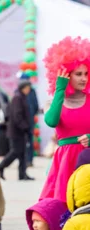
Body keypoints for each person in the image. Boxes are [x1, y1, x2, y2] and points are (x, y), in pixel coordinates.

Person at [40, 36, 90, 202]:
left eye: (86, 73)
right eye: (78, 74)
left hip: (87, 158)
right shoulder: (56, 101)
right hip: (65, 162)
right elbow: (51, 121)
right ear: (65, 75)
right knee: (62, 206)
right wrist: (60, 89)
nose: (84, 78)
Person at [0, 80, 33, 181]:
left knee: (22, 153)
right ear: (23, 88)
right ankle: (0, 166)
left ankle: (22, 174)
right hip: (16, 131)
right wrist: (24, 126)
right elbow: (17, 115)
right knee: (15, 152)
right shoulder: (18, 98)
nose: (28, 90)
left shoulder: (21, 97)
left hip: (20, 131)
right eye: (27, 88)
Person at [19, 74, 39, 166]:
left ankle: (24, 161)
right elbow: (36, 106)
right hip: (29, 119)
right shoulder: (32, 91)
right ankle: (29, 161)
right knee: (29, 140)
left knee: (23, 140)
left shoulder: (18, 91)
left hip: (21, 120)